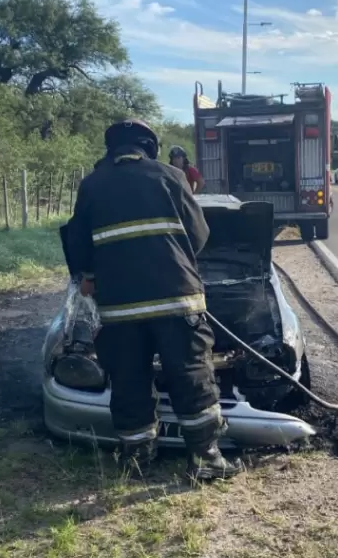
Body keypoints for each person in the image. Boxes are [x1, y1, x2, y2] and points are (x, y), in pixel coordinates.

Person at [60, 118, 242, 482]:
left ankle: (136, 459)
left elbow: (78, 243)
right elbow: (199, 233)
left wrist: (92, 274)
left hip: (120, 307)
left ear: (111, 149)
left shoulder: (92, 184)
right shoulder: (170, 176)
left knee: (128, 378)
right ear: (150, 147)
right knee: (191, 373)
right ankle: (205, 458)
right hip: (177, 300)